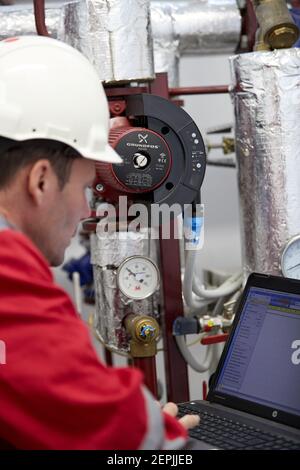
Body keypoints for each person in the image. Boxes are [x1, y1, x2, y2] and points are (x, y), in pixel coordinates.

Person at [0, 35, 199, 449]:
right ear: (40, 180)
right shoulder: (7, 267)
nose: (85, 210)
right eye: (87, 188)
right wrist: (163, 434)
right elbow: (125, 438)